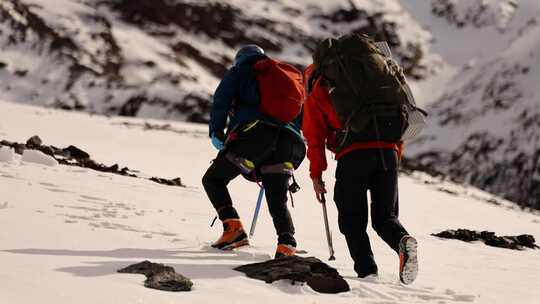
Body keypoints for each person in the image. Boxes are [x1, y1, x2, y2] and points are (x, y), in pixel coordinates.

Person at [302, 36, 418, 284]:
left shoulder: (321, 85)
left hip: (353, 154)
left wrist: (316, 174)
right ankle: (402, 241)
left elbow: (315, 137)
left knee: (352, 218)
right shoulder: (377, 76)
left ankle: (367, 271)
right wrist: (394, 152)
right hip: (387, 151)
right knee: (385, 218)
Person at [202, 45, 305, 258]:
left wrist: (216, 132)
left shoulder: (240, 72)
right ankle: (287, 244)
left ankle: (233, 231)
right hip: (291, 144)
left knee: (213, 179)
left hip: (256, 136)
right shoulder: (281, 79)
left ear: (239, 59)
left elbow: (221, 101)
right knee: (277, 197)